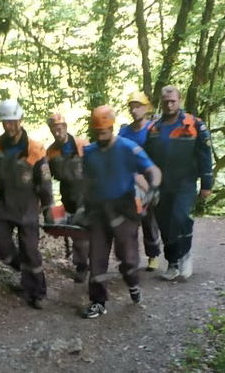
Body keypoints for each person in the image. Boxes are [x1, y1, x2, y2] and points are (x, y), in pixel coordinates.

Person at [79, 105, 161, 319]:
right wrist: (82, 207)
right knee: (96, 257)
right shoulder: (89, 152)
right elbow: (87, 181)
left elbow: (152, 169)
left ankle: (133, 284)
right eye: (97, 132)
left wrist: (153, 188)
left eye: (104, 131)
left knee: (127, 258)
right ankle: (98, 301)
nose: (101, 135)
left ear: (112, 127)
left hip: (123, 209)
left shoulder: (128, 148)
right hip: (98, 210)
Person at [0, 99, 54, 309]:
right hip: (4, 203)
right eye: (6, 122)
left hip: (28, 205)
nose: (10, 126)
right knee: (0, 246)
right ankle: (23, 269)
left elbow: (45, 183)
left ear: (21, 119)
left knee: (30, 250)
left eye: (13, 121)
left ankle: (37, 292)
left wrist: (47, 209)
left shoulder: (35, 149)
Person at [143, 86, 213, 281]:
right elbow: (146, 158)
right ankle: (172, 262)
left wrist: (207, 183)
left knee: (180, 218)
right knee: (165, 224)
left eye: (173, 100)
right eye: (165, 101)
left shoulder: (194, 124)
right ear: (161, 102)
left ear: (179, 100)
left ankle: (185, 254)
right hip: (161, 185)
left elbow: (205, 154)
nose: (169, 104)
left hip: (185, 182)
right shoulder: (154, 128)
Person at [118, 91, 164, 271]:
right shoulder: (124, 131)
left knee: (148, 218)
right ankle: (130, 257)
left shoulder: (153, 129)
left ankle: (153, 254)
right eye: (132, 107)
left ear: (146, 108)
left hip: (147, 180)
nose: (135, 110)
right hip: (129, 180)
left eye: (138, 106)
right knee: (129, 220)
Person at [45, 112, 90, 283]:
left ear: (65, 127)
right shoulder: (50, 152)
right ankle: (85, 260)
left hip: (85, 192)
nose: (57, 132)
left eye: (59, 128)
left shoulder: (81, 145)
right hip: (67, 194)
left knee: (81, 230)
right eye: (53, 130)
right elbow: (45, 177)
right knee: (75, 231)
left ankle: (82, 265)